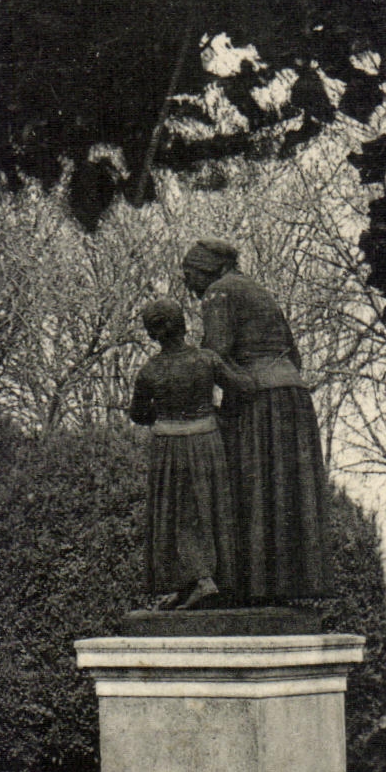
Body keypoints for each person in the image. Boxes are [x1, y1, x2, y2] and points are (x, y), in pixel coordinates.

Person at [184, 238, 331, 603]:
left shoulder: (219, 293)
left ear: (209, 269)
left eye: (191, 276)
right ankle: (277, 586)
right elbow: (294, 356)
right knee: (279, 489)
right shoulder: (259, 291)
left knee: (253, 488)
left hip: (258, 398)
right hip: (292, 396)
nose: (190, 286)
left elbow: (214, 355)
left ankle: (249, 587)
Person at [129, 299, 250, 609]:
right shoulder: (206, 360)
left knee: (175, 515)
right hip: (207, 442)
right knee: (208, 509)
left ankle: (196, 580)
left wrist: (165, 410)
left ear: (153, 333)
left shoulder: (149, 371)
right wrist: (221, 412)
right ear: (182, 324)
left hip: (169, 448)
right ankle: (204, 581)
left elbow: (139, 414)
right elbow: (242, 387)